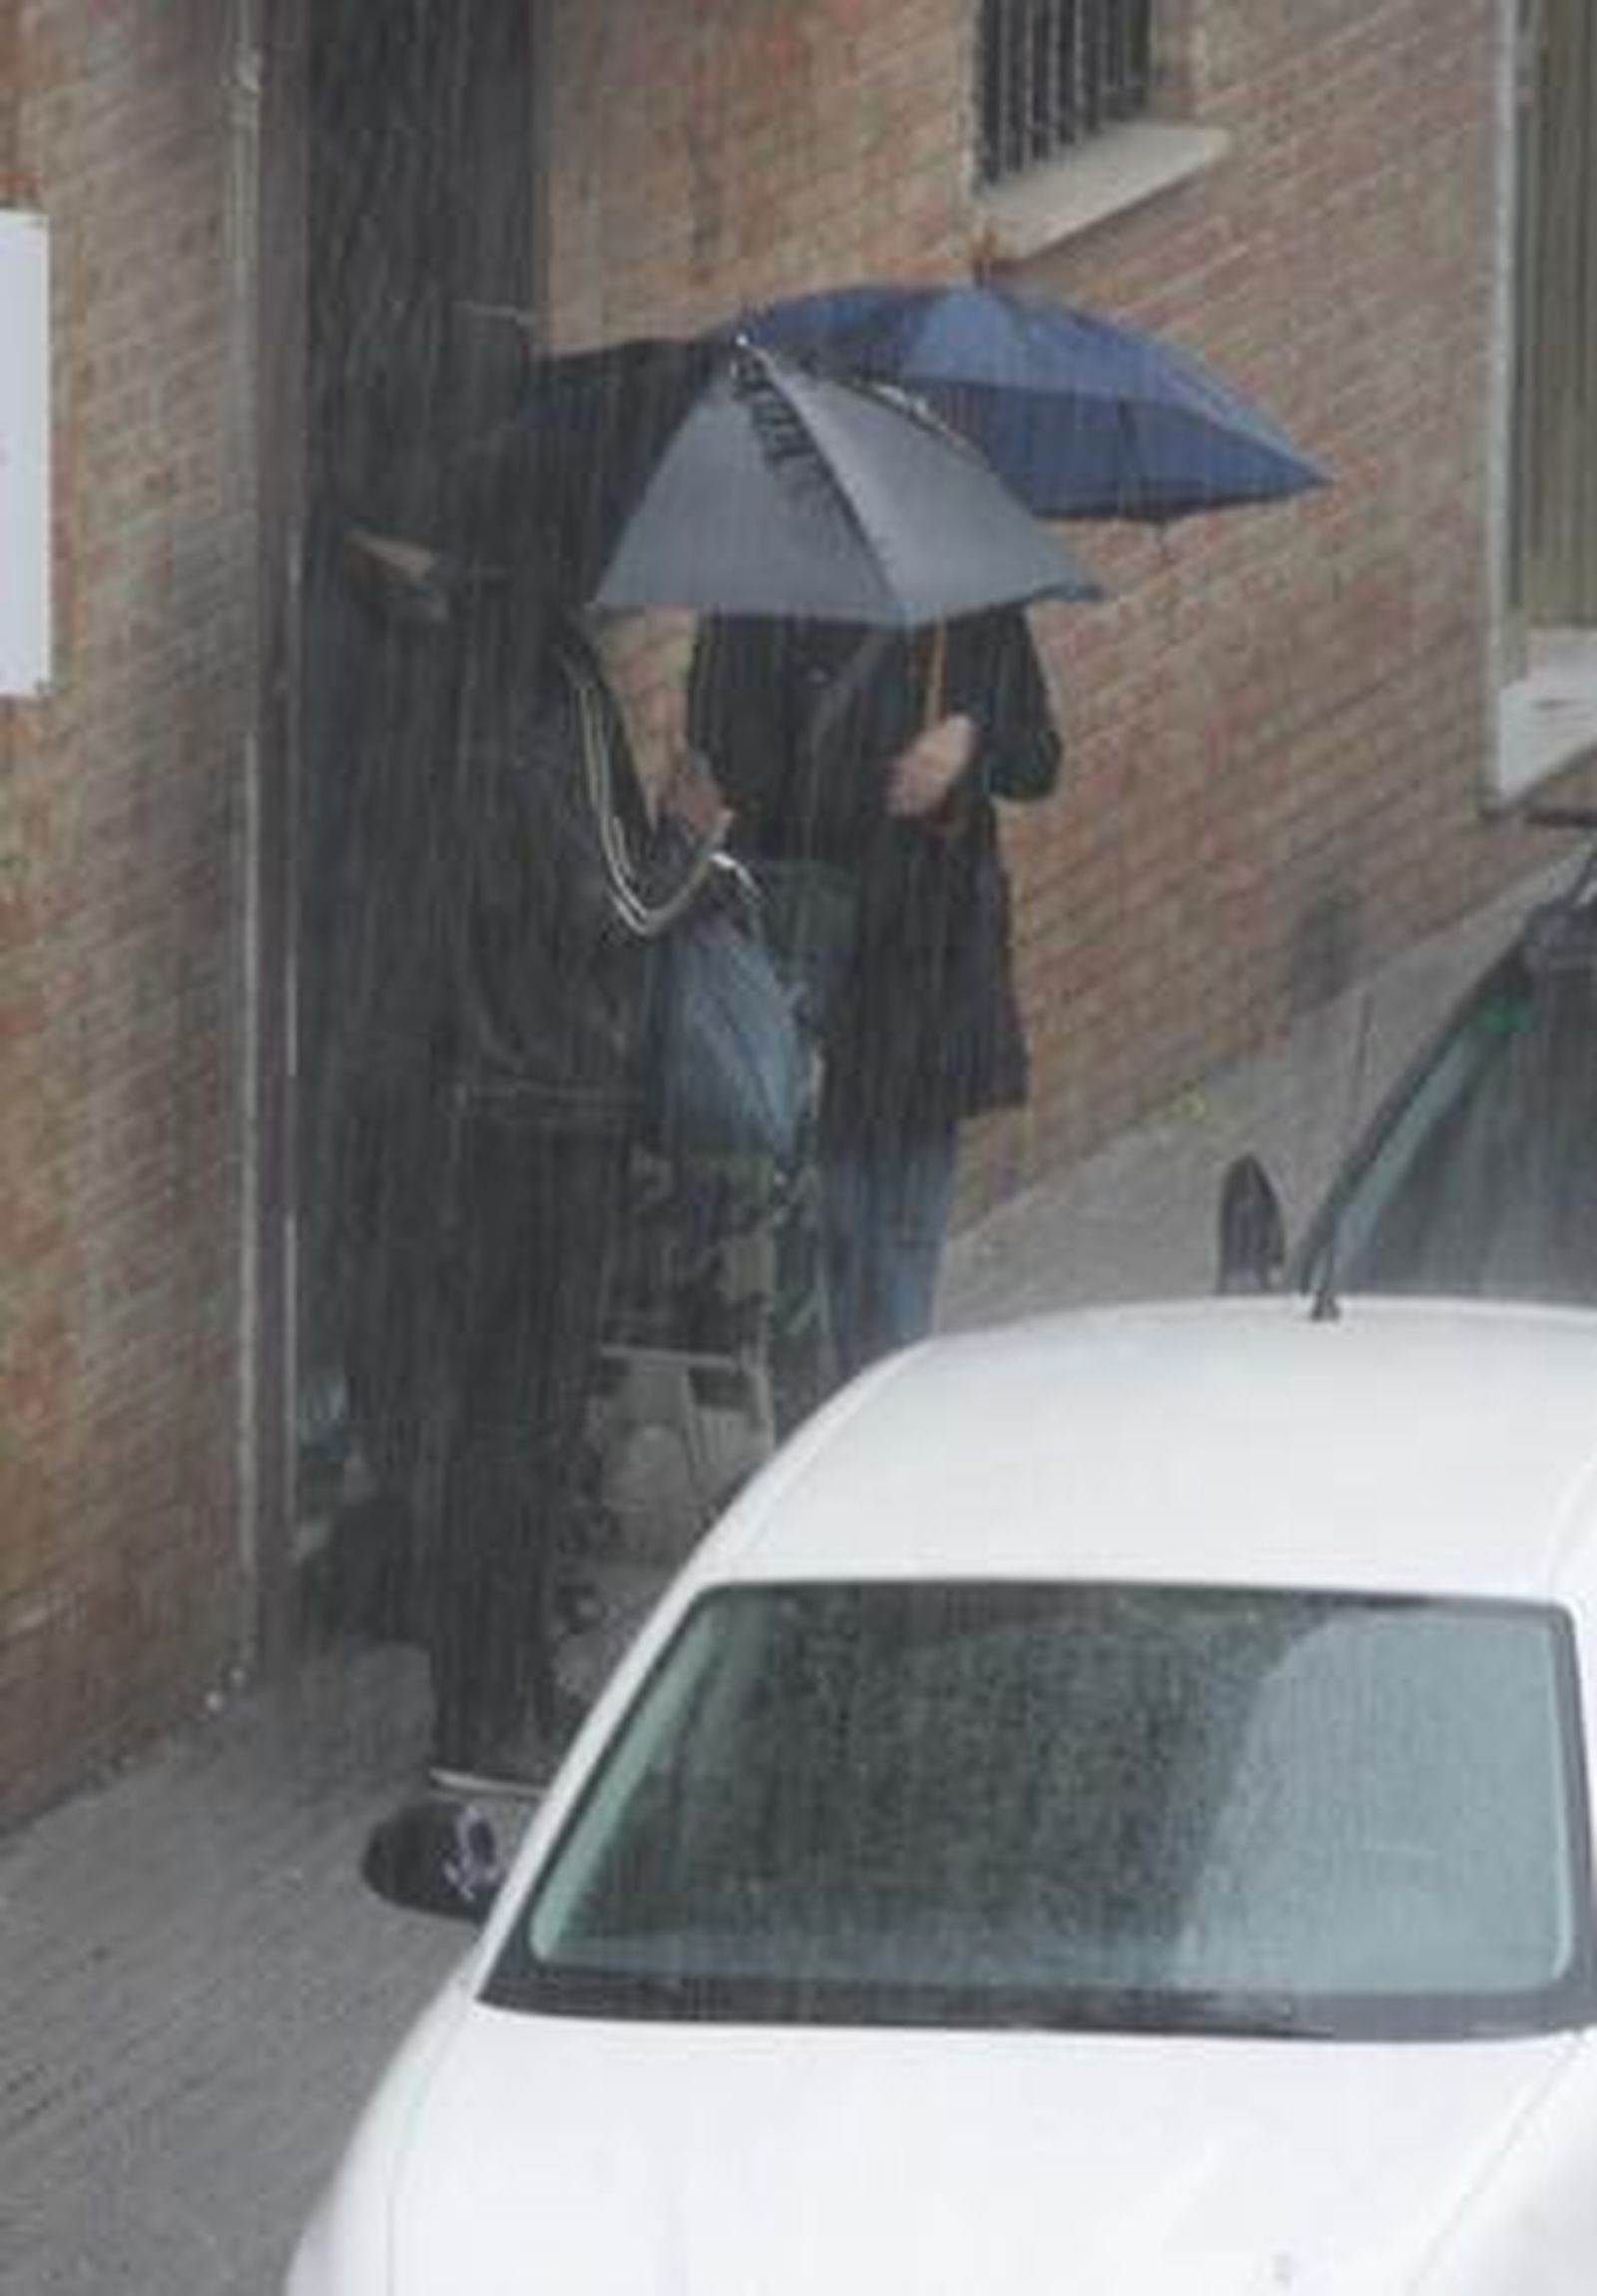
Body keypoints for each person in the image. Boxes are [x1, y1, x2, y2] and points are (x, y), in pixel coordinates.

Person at [345, 558, 722, 1784]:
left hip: (474, 1091)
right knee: (525, 1417)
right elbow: (604, 902)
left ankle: (500, 1692)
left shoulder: (443, 671)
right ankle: (487, 1712)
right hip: (547, 1100)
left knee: (501, 1416)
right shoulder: (545, 689)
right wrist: (689, 838)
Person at [687, 607, 1063, 1382]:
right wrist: (852, 768)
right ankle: (830, 1417)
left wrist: (969, 741)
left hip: (931, 970)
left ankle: (883, 1413)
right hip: (813, 969)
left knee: (900, 1236)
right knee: (825, 1236)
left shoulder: (966, 602)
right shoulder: (761, 603)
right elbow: (736, 761)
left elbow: (1039, 757)